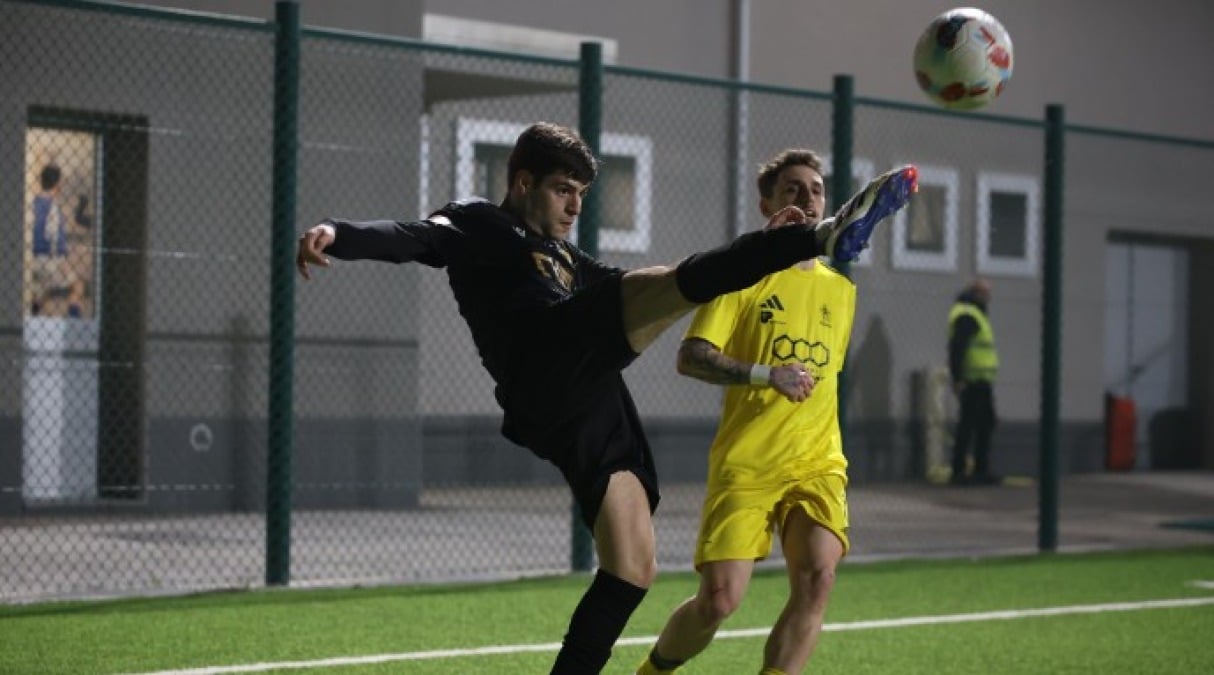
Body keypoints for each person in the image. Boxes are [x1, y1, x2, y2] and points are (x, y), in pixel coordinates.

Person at [295, 123, 916, 674]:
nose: (574, 206)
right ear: (523, 182)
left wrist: (755, 253)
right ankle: (823, 236)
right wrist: (338, 234)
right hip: (546, 359)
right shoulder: (478, 223)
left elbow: (647, 288)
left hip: (588, 395)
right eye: (563, 189)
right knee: (669, 283)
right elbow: (411, 237)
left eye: (582, 194)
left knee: (633, 567)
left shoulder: (566, 257)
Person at [637, 149, 858, 675]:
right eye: (792, 189)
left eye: (816, 190)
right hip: (749, 461)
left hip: (818, 462)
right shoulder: (741, 278)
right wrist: (765, 374)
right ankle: (652, 671)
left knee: (818, 577)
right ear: (767, 205)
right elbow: (691, 357)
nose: (807, 198)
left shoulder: (841, 291)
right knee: (718, 600)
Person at [947, 278, 999, 485]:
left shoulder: (974, 313)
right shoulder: (968, 314)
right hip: (972, 380)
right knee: (971, 425)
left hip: (980, 379)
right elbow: (957, 348)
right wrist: (958, 377)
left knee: (980, 423)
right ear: (977, 293)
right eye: (985, 293)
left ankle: (975, 469)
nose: (988, 297)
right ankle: (964, 470)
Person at [29, 163, 75, 316]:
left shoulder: (33, 202)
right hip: (49, 258)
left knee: (41, 292)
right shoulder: (53, 205)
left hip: (32, 256)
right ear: (57, 183)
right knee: (77, 286)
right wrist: (62, 258)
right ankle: (74, 320)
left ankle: (34, 311)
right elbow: (53, 234)